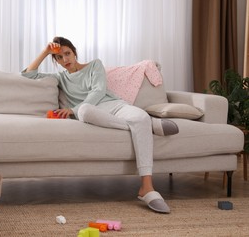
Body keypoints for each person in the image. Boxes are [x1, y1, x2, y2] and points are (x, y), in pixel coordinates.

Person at [21, 36, 178, 214]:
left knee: (140, 116)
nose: (65, 60)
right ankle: (150, 126)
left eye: (67, 54)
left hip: (115, 106)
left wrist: (73, 109)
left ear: (74, 53)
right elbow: (28, 74)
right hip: (91, 113)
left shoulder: (95, 65)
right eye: (59, 57)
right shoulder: (60, 78)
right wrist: (45, 52)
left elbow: (98, 90)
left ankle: (147, 187)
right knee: (85, 111)